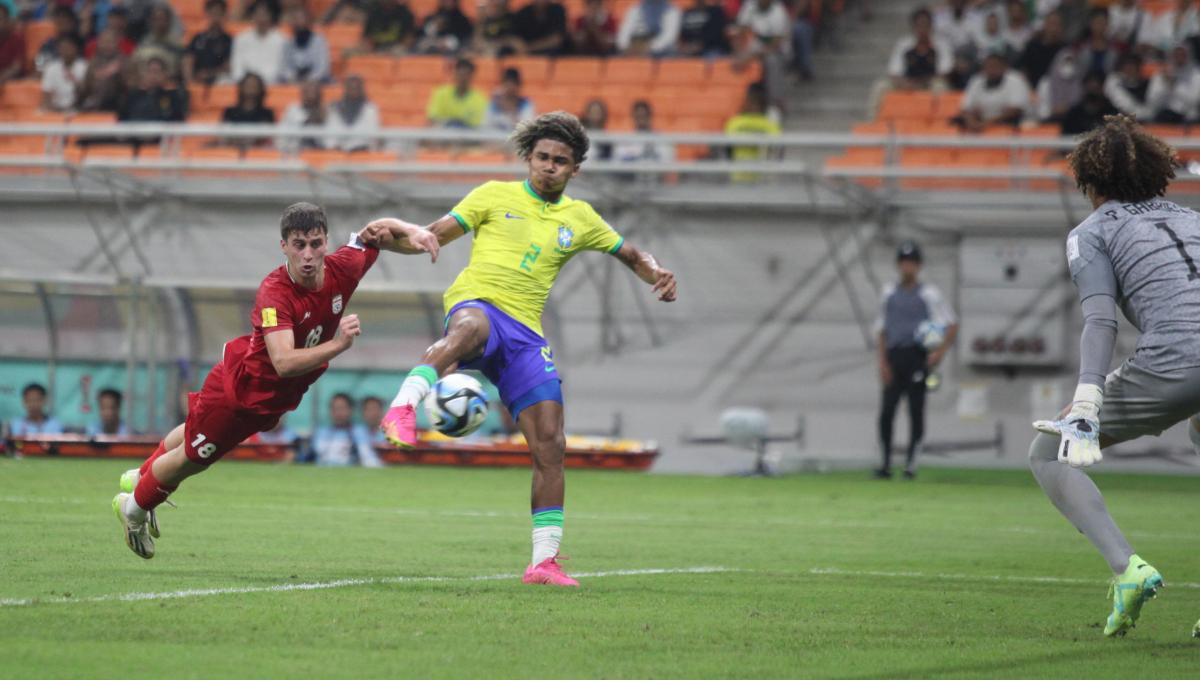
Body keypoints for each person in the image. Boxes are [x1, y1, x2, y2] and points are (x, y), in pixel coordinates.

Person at [372, 112, 677, 586]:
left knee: (551, 444)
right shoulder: (493, 195)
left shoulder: (581, 219)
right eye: (542, 157)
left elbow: (633, 255)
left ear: (575, 169)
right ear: (528, 158)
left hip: (525, 336)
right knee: (470, 329)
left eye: (560, 161)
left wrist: (656, 273)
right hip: (479, 304)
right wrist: (383, 241)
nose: (549, 167)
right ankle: (403, 409)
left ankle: (543, 562)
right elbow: (430, 235)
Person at [111, 203, 435, 559]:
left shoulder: (343, 267)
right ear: (283, 246)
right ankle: (133, 508)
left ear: (327, 241)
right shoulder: (275, 293)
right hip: (242, 396)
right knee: (193, 456)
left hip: (268, 396)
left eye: (315, 243)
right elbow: (282, 362)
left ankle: (139, 478)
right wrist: (338, 345)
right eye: (299, 245)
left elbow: (378, 232)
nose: (308, 255)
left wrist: (416, 230)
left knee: (193, 428)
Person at [1026, 115, 1200, 637]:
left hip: (1177, 361)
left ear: (1090, 182)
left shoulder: (1092, 232)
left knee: (1048, 453)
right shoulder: (1193, 218)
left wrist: (1086, 401)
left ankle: (1127, 569)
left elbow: (1100, 320)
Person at [874, 240, 957, 480]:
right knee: (887, 412)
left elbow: (951, 323)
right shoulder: (889, 293)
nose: (907, 267)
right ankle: (885, 462)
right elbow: (881, 329)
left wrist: (938, 352)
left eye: (911, 263)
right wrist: (882, 361)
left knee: (915, 411)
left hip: (917, 355)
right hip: (894, 355)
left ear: (918, 266)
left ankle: (911, 464)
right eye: (903, 262)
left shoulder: (929, 295)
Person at [953, 51, 1032, 132]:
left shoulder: (1016, 79)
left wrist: (986, 123)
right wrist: (971, 122)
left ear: (1005, 67)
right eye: (988, 66)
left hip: (1011, 125)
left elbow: (1015, 110)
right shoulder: (976, 80)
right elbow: (966, 108)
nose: (991, 69)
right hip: (979, 124)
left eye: (995, 66)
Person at [886, 7, 953, 91]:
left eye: (925, 25)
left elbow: (945, 72)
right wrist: (905, 83)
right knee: (881, 86)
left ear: (931, 26)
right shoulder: (903, 45)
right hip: (907, 83)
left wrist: (923, 84)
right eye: (919, 25)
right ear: (913, 27)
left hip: (930, 83)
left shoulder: (941, 45)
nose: (922, 29)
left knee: (940, 86)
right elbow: (894, 71)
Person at [307, 393, 383, 466]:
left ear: (350, 410)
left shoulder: (359, 432)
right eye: (335, 409)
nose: (338, 413)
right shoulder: (321, 433)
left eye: (342, 408)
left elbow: (368, 457)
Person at [230, 0, 286, 83]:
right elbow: (237, 68)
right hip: (245, 84)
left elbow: (279, 69)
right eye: (258, 14)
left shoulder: (281, 40)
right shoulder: (241, 38)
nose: (261, 18)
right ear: (253, 16)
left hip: (271, 83)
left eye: (264, 14)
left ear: (271, 16)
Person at [118, 56, 186, 122]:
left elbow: (178, 122)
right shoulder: (132, 96)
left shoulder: (173, 97)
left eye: (156, 72)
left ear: (164, 74)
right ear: (144, 74)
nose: (153, 76)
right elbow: (122, 121)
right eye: (150, 71)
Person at [426, 57, 487, 128]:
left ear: (472, 76)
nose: (463, 78)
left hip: (469, 135)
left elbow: (478, 123)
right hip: (444, 133)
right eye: (460, 74)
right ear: (455, 74)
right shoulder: (441, 93)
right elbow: (433, 118)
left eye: (467, 75)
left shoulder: (480, 97)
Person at [1147, 44, 1200, 124]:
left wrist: (1174, 86)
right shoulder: (1161, 74)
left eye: (1182, 55)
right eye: (1176, 55)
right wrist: (1166, 85)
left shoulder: (1196, 74)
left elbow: (1194, 101)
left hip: (1187, 116)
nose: (1179, 58)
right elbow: (1152, 101)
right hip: (1163, 114)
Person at [326, 74, 380, 151]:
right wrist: (334, 146)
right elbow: (330, 133)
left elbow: (373, 135)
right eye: (350, 88)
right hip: (339, 151)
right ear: (345, 89)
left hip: (362, 151)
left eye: (356, 88)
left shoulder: (370, 108)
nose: (353, 91)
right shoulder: (335, 108)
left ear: (361, 90)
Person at [184, 0, 233, 86]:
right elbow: (189, 60)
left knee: (225, 81)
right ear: (207, 14)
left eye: (219, 13)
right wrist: (190, 80)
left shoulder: (228, 40)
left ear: (224, 15)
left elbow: (227, 66)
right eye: (213, 13)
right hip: (197, 78)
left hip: (218, 79)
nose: (215, 17)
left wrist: (210, 74)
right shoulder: (197, 38)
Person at [78, 27, 127, 111]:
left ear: (117, 43)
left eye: (110, 42)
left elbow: (131, 88)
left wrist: (118, 73)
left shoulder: (125, 61)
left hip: (119, 107)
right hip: (94, 107)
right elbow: (85, 87)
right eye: (104, 42)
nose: (107, 45)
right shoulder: (93, 62)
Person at [1016, 9, 1065, 89]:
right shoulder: (1032, 45)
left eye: (1057, 24)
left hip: (1057, 91)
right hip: (1032, 90)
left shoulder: (1065, 49)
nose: (1054, 28)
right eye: (1052, 24)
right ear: (1045, 25)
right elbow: (1021, 66)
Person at [281, 6, 330, 82]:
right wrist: (293, 77)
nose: (298, 22)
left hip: (315, 82)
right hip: (293, 82)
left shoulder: (319, 41)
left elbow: (323, 68)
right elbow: (284, 68)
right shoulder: (288, 43)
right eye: (295, 19)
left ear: (309, 21)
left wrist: (309, 79)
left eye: (301, 18)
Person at [616, 0, 681, 57]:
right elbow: (624, 34)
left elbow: (669, 37)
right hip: (634, 50)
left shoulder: (672, 10)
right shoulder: (635, 9)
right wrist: (627, 47)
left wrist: (648, 48)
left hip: (661, 55)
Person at [1060, 70, 1117, 135]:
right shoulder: (1073, 114)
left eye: (1096, 87)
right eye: (1090, 85)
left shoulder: (1111, 113)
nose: (1093, 88)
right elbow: (1065, 137)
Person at [134, 3, 183, 79]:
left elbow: (178, 69)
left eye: (162, 19)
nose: (159, 23)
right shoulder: (145, 42)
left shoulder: (176, 43)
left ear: (168, 21)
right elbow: (136, 62)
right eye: (155, 19)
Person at [41, 34, 87, 112]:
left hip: (78, 108)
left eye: (68, 47)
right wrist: (54, 109)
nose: (65, 50)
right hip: (56, 108)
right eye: (62, 47)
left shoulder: (85, 67)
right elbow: (47, 95)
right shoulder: (51, 68)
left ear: (76, 48)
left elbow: (86, 94)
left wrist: (75, 82)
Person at [278, 79, 327, 152]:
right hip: (296, 153)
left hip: (322, 153)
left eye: (314, 91)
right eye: (307, 91)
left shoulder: (327, 111)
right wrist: (308, 121)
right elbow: (281, 138)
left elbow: (331, 142)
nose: (311, 94)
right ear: (302, 93)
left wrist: (321, 119)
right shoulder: (292, 109)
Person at [485, 66, 535, 132]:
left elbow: (526, 130)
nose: (510, 87)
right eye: (507, 83)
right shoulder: (493, 104)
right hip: (494, 141)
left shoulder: (526, 104)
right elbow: (486, 127)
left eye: (513, 83)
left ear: (519, 85)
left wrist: (510, 109)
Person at [1104, 52, 1151, 121]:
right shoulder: (1114, 81)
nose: (1129, 68)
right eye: (1126, 65)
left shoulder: (1147, 84)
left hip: (1141, 119)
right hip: (1116, 117)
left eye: (1132, 66)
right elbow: (1121, 104)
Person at [0, 4, 27, 85]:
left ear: (7, 21)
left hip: (12, 83)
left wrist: (1, 79)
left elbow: (16, 67)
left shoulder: (17, 38)